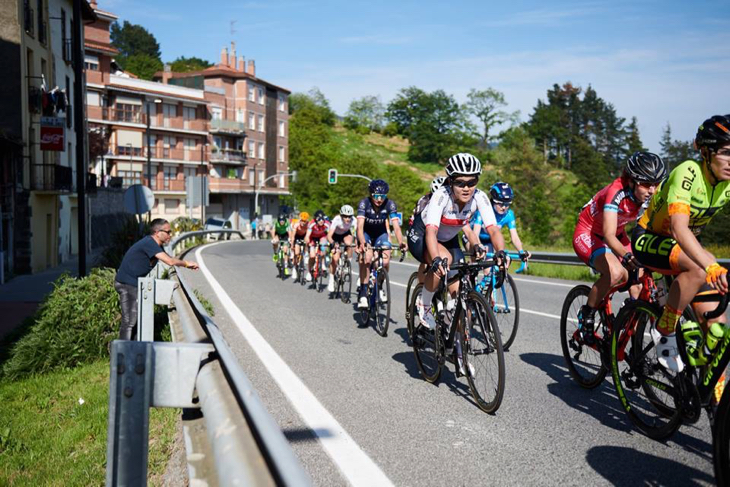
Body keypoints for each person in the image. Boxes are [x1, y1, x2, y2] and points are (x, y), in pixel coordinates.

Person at [632, 116, 730, 373]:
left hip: (684, 245)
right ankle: (664, 329)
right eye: (726, 153)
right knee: (700, 268)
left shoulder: (727, 184)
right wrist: (711, 267)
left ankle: (706, 397)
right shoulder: (688, 172)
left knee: (717, 329)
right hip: (650, 237)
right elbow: (678, 228)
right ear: (707, 153)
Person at [407, 153, 507, 375]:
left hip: (449, 238)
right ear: (450, 181)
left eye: (472, 182)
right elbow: (432, 233)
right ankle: (424, 304)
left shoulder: (479, 198)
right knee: (445, 260)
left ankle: (459, 354)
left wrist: (500, 252)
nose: (467, 187)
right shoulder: (440, 197)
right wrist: (435, 260)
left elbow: (493, 229)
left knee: (460, 296)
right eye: (460, 182)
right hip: (424, 235)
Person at [573, 151, 667, 344]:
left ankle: (629, 320)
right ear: (632, 181)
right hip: (590, 232)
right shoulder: (616, 192)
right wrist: (625, 257)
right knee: (616, 273)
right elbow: (607, 234)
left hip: (618, 233)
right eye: (647, 184)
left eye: (656, 185)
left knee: (639, 285)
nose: (652, 190)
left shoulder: (648, 197)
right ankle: (587, 314)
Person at [114, 218, 199, 340]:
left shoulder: (155, 245)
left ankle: (135, 349)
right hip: (126, 284)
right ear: (157, 232)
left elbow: (168, 258)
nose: (170, 235)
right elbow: (170, 261)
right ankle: (123, 354)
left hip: (132, 283)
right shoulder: (149, 243)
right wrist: (186, 263)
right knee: (130, 322)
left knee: (135, 321)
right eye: (168, 232)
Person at [356, 179, 407, 309]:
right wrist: (362, 242)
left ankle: (379, 286)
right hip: (365, 234)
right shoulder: (364, 203)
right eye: (376, 196)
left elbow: (396, 226)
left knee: (384, 260)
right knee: (367, 259)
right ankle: (363, 292)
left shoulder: (390, 204)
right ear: (371, 194)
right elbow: (360, 227)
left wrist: (401, 241)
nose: (379, 199)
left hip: (380, 234)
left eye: (382, 196)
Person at [469, 182, 530, 262]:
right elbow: (475, 234)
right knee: (475, 262)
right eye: (500, 204)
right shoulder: (483, 211)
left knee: (489, 267)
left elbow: (514, 237)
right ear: (493, 201)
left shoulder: (509, 214)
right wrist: (480, 246)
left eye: (507, 204)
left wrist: (521, 251)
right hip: (472, 238)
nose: (504, 207)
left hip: (488, 240)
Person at [408, 176, 446, 286]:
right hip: (423, 230)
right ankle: (421, 287)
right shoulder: (424, 200)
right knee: (425, 260)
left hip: (439, 232)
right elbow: (418, 220)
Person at [327, 205, 355, 292]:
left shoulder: (354, 220)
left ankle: (348, 264)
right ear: (341, 216)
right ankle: (331, 279)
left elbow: (357, 233)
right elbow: (329, 236)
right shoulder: (337, 219)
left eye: (349, 217)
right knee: (335, 259)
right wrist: (333, 243)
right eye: (345, 217)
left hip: (345, 234)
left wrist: (358, 244)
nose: (348, 219)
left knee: (349, 244)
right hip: (335, 236)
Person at [304, 210, 330, 283]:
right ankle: (309, 272)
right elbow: (307, 236)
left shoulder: (327, 224)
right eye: (319, 219)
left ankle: (322, 264)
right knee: (312, 256)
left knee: (323, 247)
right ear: (315, 219)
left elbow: (330, 235)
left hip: (322, 237)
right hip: (312, 238)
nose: (321, 221)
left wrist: (329, 243)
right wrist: (308, 242)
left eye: (322, 219)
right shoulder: (311, 224)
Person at [288, 211, 310, 281]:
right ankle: (294, 268)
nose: (303, 223)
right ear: (300, 220)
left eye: (304, 221)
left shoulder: (308, 225)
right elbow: (293, 236)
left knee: (307, 242)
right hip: (297, 236)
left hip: (304, 236)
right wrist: (292, 244)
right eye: (302, 221)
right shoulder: (296, 224)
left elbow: (308, 236)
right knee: (296, 253)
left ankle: (306, 255)